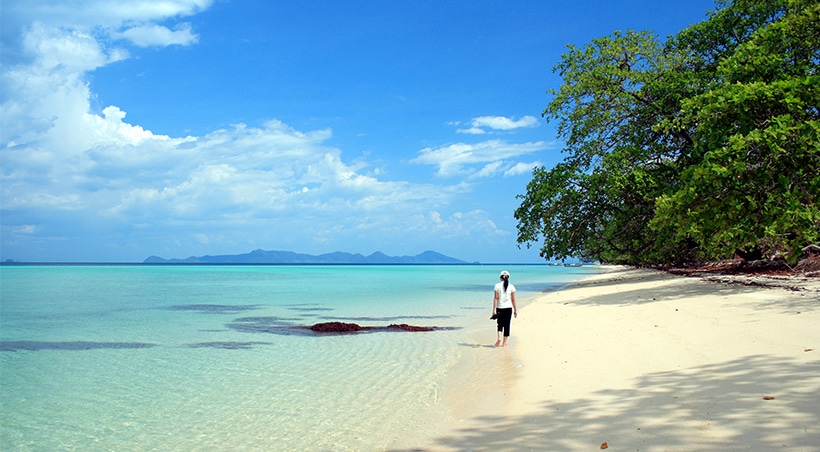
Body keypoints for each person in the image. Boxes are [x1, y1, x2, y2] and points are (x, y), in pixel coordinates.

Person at [492, 270, 517, 347]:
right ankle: (504, 343)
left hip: (500, 307)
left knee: (500, 324)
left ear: (500, 278)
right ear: (508, 277)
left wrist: (493, 310)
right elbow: (513, 299)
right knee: (507, 325)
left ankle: (499, 338)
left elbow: (496, 298)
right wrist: (515, 309)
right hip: (508, 308)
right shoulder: (512, 286)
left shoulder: (497, 286)